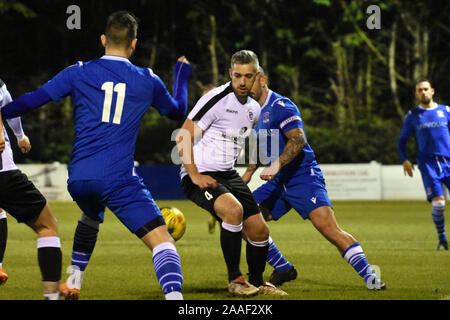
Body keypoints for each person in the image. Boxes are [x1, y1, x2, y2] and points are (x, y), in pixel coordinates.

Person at [2, 11, 192, 300]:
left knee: (91, 214)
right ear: (134, 45)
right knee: (162, 240)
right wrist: (182, 78)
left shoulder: (77, 72)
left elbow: (31, 100)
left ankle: (74, 282)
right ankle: (176, 300)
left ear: (103, 39)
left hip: (78, 178)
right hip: (117, 177)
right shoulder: (147, 79)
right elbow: (178, 111)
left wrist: (1, 113)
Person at [241, 67, 386, 290]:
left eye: (250, 79)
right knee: (245, 220)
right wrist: (250, 171)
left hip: (302, 177)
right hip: (279, 182)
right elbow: (261, 142)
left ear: (263, 80)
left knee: (329, 230)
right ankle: (283, 268)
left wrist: (277, 164)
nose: (245, 85)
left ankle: (371, 277)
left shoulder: (281, 105)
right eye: (242, 79)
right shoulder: (254, 111)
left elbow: (298, 139)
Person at [176, 50, 287, 296]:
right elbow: (182, 136)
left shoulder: (254, 110)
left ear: (257, 76)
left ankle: (256, 283)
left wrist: (248, 171)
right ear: (230, 74)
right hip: (199, 173)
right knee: (233, 210)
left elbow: (237, 142)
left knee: (260, 230)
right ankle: (235, 280)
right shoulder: (216, 99)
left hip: (227, 174)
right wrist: (194, 175)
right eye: (237, 75)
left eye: (248, 76)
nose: (242, 82)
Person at [0, 79, 62, 299]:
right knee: (47, 226)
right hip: (4, 174)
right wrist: (18, 135)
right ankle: (51, 295)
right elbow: (10, 108)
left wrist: (18, 136)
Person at [398, 79, 449, 251]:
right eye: (420, 90)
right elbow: (402, 140)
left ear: (432, 91)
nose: (423, 92)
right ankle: (442, 237)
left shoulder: (446, 111)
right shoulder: (413, 115)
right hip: (428, 164)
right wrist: (405, 159)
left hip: (449, 161)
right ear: (416, 94)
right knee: (439, 203)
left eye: (426, 89)